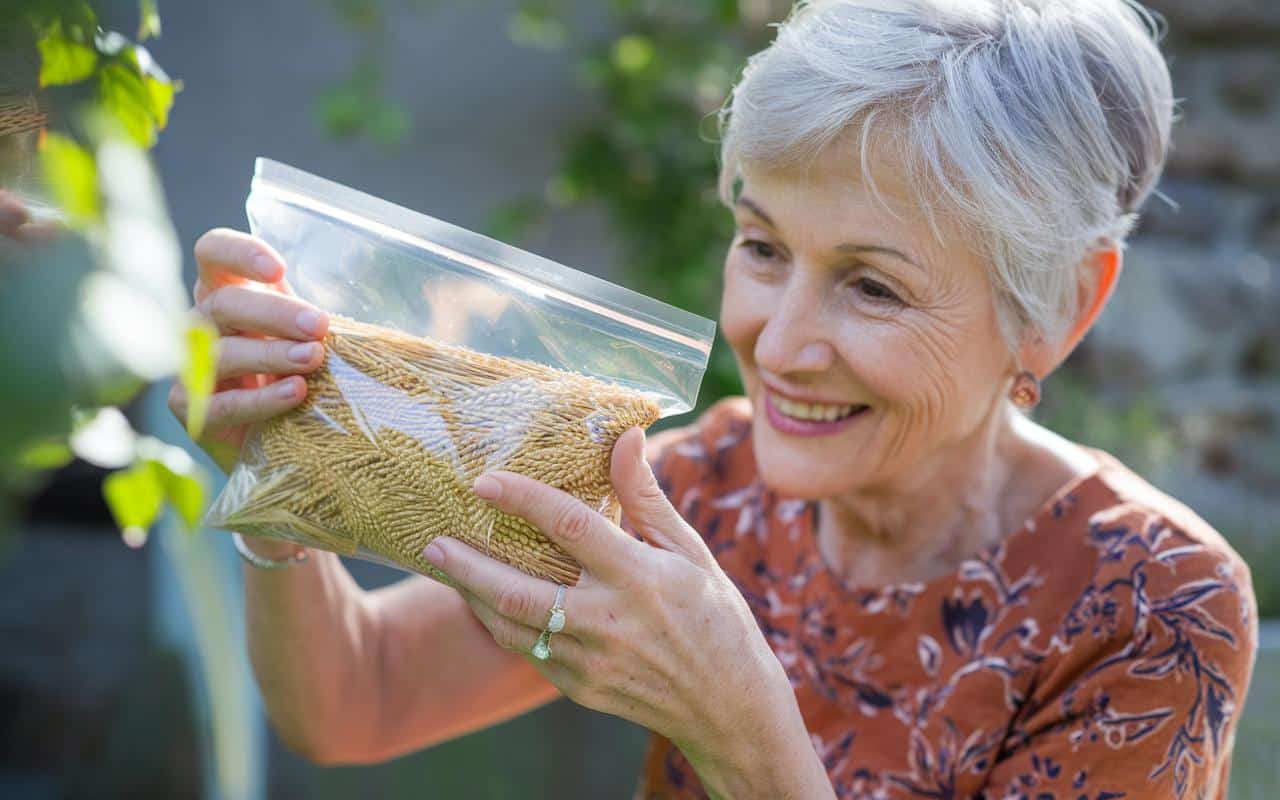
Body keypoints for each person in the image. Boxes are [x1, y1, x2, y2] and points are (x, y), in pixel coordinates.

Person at [168, 1, 1258, 797]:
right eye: (762, 246)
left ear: (1055, 311)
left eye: (871, 285)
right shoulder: (700, 488)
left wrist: (742, 733)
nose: (775, 344)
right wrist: (281, 464)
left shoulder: (1148, 605)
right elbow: (357, 697)